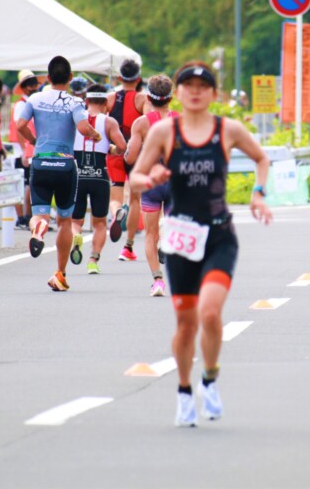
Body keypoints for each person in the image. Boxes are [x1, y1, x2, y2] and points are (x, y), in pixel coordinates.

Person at [130, 61, 272, 428]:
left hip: (219, 236)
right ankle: (183, 392)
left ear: (213, 93)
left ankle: (208, 379)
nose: (194, 91)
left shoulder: (228, 129)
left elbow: (261, 158)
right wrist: (151, 177)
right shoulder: (164, 131)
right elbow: (134, 178)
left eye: (202, 85)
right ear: (177, 92)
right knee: (186, 323)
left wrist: (258, 193)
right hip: (180, 239)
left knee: (210, 314)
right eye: (187, 85)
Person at [16, 55, 102, 292]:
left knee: (39, 215)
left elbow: (20, 125)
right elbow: (84, 128)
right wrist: (95, 135)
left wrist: (34, 142)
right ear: (71, 77)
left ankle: (39, 229)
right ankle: (60, 274)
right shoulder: (75, 102)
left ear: (48, 77)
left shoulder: (34, 98)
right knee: (64, 221)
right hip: (65, 165)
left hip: (41, 162)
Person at [125, 74, 179, 297]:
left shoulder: (141, 123)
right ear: (171, 98)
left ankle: (157, 280)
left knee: (149, 235)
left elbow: (130, 158)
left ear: (148, 97)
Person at [69, 84, 127, 274]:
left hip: (77, 175)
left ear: (86, 101)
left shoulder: (76, 119)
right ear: (105, 103)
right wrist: (111, 148)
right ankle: (93, 260)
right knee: (100, 223)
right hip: (99, 175)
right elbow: (122, 146)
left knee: (75, 220)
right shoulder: (109, 122)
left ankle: (76, 236)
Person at [108, 58, 148, 261]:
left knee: (115, 198)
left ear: (119, 77)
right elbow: (150, 123)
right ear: (138, 78)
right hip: (136, 153)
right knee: (135, 200)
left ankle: (116, 213)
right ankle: (128, 247)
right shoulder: (142, 99)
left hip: (115, 151)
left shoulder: (109, 98)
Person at [10, 70, 40, 230]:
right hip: (23, 151)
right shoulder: (21, 104)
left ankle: (28, 218)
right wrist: (23, 151)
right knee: (25, 186)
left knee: (30, 185)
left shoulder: (31, 102)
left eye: (34, 83)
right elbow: (19, 128)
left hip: (30, 149)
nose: (33, 86)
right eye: (30, 84)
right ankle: (23, 218)